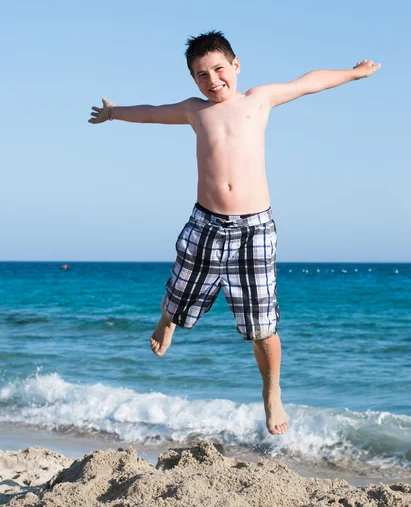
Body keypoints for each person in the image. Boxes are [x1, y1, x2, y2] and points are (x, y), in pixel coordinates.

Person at [88, 31, 381, 435]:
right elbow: (153, 112)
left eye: (219, 69)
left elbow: (307, 83)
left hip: (254, 229)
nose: (212, 80)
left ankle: (271, 391)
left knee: (263, 323)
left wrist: (353, 74)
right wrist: (114, 112)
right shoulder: (195, 110)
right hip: (205, 222)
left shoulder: (258, 99)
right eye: (201, 74)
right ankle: (168, 320)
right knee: (179, 288)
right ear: (194, 80)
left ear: (236, 65)